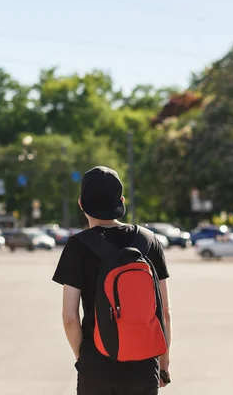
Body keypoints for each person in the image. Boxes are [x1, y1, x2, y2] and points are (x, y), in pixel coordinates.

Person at [52, 166, 172, 395]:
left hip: (97, 365)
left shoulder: (78, 246)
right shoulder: (149, 241)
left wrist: (83, 358)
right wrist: (163, 363)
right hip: (144, 363)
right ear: (121, 201)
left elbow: (69, 318)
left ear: (81, 203)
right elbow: (164, 310)